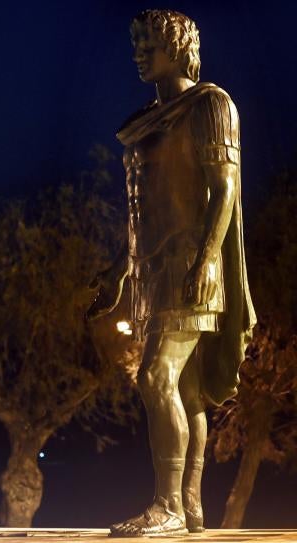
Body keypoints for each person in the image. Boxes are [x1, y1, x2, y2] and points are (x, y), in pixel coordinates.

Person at [87, 10, 256, 537]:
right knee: (182, 391)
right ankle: (190, 507)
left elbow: (224, 189)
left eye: (150, 43)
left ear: (178, 47)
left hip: (190, 264)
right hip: (152, 270)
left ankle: (169, 506)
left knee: (156, 376)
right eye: (136, 42)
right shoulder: (144, 121)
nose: (139, 51)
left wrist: (208, 260)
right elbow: (146, 211)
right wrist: (119, 272)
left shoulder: (210, 104)